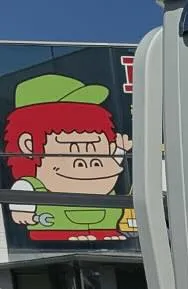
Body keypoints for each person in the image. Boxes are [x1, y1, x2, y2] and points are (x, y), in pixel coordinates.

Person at [3, 74, 132, 242]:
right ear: (28, 145)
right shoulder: (29, 185)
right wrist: (23, 212)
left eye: (93, 147)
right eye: (72, 147)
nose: (88, 162)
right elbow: (20, 197)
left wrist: (121, 150)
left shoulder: (107, 166)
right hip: (50, 240)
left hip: (106, 233)